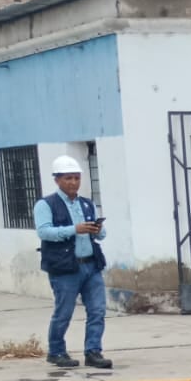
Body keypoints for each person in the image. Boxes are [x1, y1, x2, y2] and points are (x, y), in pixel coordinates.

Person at [34, 155, 111, 369]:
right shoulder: (45, 204)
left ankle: (93, 351)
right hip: (65, 267)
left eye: (76, 178)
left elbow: (100, 236)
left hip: (91, 264)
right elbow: (44, 231)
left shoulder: (87, 204)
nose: (73, 183)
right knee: (64, 311)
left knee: (97, 310)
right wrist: (74, 229)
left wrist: (97, 230)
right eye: (68, 178)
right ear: (57, 180)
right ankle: (56, 351)